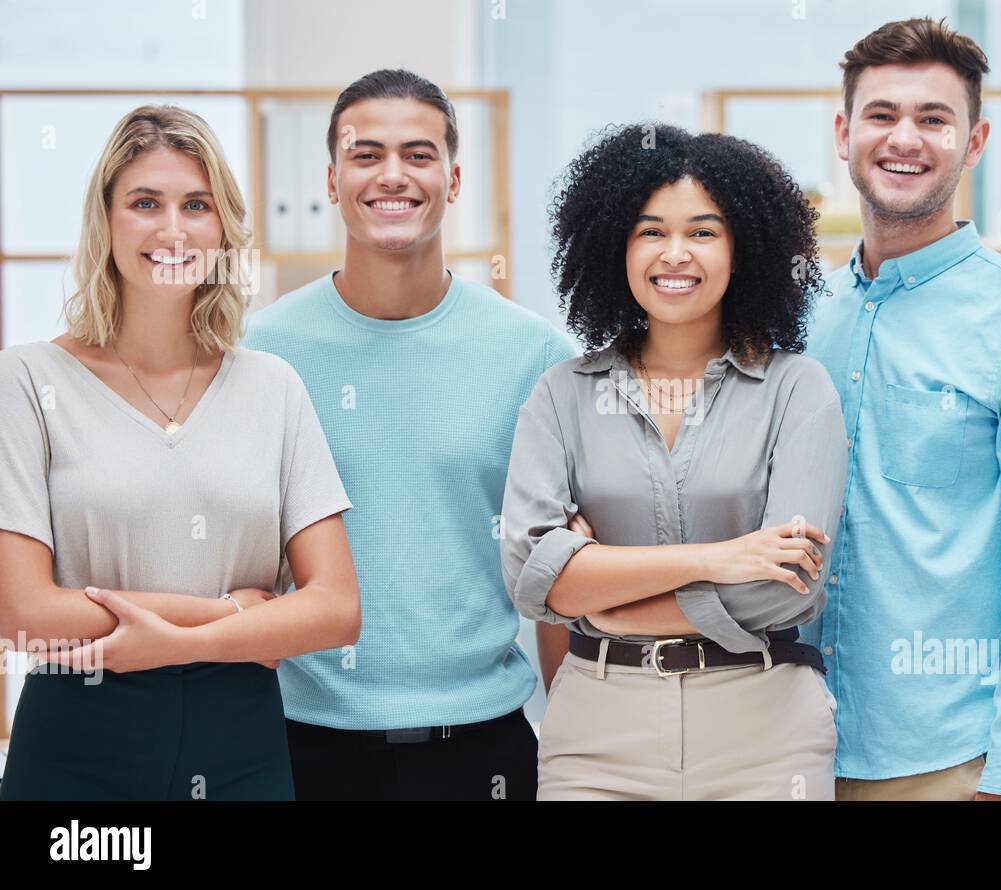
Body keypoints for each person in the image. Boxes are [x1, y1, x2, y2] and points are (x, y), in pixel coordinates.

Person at [0, 105, 360, 801]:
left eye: (196, 205)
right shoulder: (26, 381)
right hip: (76, 745)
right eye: (144, 203)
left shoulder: (272, 387)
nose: (172, 229)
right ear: (105, 223)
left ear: (222, 226)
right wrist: (231, 616)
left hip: (241, 749)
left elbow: (336, 609)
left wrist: (177, 641)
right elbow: (21, 613)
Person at [242, 70, 574, 801]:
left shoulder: (535, 355)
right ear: (332, 180)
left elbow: (561, 577)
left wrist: (576, 751)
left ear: (454, 180)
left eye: (418, 155)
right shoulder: (256, 352)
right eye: (366, 155)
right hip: (301, 747)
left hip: (483, 749)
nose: (392, 174)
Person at [501, 123, 848, 801]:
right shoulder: (562, 394)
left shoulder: (798, 389)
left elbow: (786, 587)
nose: (675, 253)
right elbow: (529, 574)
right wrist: (715, 558)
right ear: (615, 247)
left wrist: (610, 599)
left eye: (704, 232)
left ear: (743, 249)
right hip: (596, 738)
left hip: (766, 731)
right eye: (651, 231)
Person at [801, 17, 1001, 801]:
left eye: (934, 118)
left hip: (949, 764)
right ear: (843, 131)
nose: (906, 138)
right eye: (882, 114)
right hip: (787, 747)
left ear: (975, 141)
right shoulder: (795, 319)